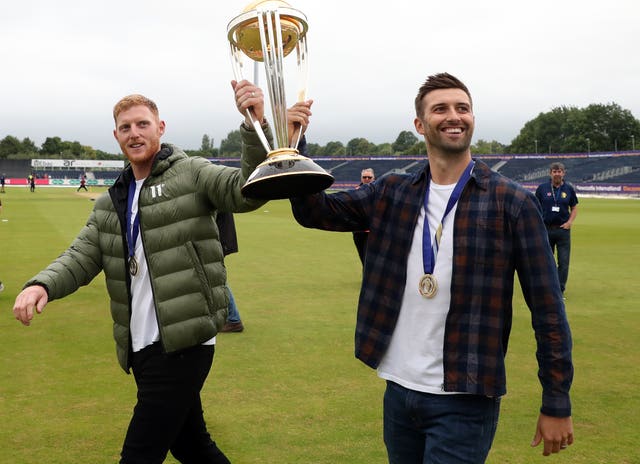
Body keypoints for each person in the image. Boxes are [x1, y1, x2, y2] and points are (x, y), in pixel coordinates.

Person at [290, 72, 574, 463]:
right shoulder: (393, 191)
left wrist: (556, 400)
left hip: (465, 398)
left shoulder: (513, 203)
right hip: (399, 390)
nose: (454, 116)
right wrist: (292, 142)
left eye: (463, 108)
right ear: (420, 125)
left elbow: (548, 310)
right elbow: (314, 211)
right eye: (440, 108)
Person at [12, 79, 273, 464]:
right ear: (116, 135)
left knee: (138, 456)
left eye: (142, 124)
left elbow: (246, 190)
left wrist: (254, 126)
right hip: (141, 347)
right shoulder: (112, 199)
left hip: (184, 343)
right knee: (191, 446)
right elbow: (82, 255)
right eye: (125, 127)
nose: (134, 133)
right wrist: (42, 285)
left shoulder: (192, 173)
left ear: (160, 127)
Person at [535, 162, 578, 295]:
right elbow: (535, 206)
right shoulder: (542, 188)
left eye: (559, 171)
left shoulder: (569, 189)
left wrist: (570, 222)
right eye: (554, 171)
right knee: (545, 261)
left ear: (563, 173)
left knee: (563, 262)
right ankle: (545, 287)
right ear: (550, 173)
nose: (557, 174)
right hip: (546, 230)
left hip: (563, 231)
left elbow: (575, 207)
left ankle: (559, 290)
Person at [215, 211, 244, 333]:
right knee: (215, 277)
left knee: (217, 278)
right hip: (219, 237)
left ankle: (233, 320)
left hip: (218, 238)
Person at [352, 168, 375, 265]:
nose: (367, 179)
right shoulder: (355, 191)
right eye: (364, 177)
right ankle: (366, 276)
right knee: (362, 255)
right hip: (358, 230)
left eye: (369, 177)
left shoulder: (378, 191)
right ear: (361, 178)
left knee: (370, 256)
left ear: (373, 178)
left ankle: (369, 278)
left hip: (372, 230)